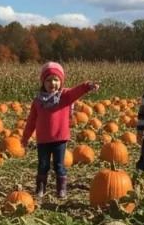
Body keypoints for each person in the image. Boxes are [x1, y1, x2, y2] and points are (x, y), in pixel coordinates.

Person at [21, 62, 99, 198]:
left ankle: (61, 189)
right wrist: (25, 138)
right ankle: (40, 188)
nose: (53, 83)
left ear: (61, 81)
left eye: (56, 79)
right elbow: (31, 121)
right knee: (43, 165)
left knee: (59, 165)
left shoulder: (65, 96)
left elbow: (77, 91)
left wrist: (87, 86)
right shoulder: (38, 101)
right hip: (43, 140)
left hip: (60, 138)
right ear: (43, 82)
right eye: (48, 80)